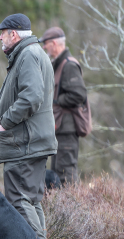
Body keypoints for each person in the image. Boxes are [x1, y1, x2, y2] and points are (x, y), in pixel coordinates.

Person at [0, 14, 57, 239]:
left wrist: (5, 122)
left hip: (23, 143)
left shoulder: (27, 55)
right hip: (33, 141)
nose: (0, 37)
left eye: (3, 32)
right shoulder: (35, 53)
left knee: (19, 199)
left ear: (14, 34)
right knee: (32, 200)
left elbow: (31, 97)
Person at [40, 27, 87, 185]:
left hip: (67, 130)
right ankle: (62, 208)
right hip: (59, 129)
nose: (44, 47)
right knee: (57, 173)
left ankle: (71, 208)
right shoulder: (58, 64)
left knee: (66, 173)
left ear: (54, 43)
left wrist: (57, 100)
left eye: (46, 44)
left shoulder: (69, 65)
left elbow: (78, 95)